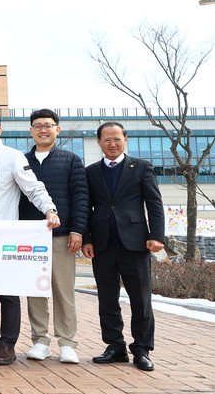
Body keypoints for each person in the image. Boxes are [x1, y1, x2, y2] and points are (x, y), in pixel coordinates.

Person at [0, 107, 60, 366]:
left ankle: (7, 344)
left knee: (8, 292)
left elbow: (33, 188)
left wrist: (49, 209)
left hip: (5, 236)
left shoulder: (13, 157)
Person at [82, 122, 164, 372]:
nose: (112, 144)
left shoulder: (141, 167)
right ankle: (115, 346)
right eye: (107, 139)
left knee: (141, 299)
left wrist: (156, 235)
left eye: (117, 139)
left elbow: (154, 203)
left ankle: (142, 349)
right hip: (102, 244)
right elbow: (85, 207)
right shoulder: (91, 172)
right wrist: (87, 238)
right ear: (99, 142)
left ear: (125, 139)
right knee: (107, 298)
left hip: (136, 243)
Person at [19, 109, 88, 364]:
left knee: (63, 291)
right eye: (37, 126)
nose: (43, 130)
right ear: (31, 130)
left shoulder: (71, 160)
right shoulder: (20, 161)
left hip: (61, 235)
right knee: (35, 289)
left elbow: (81, 197)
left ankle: (67, 343)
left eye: (48, 125)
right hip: (30, 237)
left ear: (57, 129)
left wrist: (77, 230)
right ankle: (40, 341)